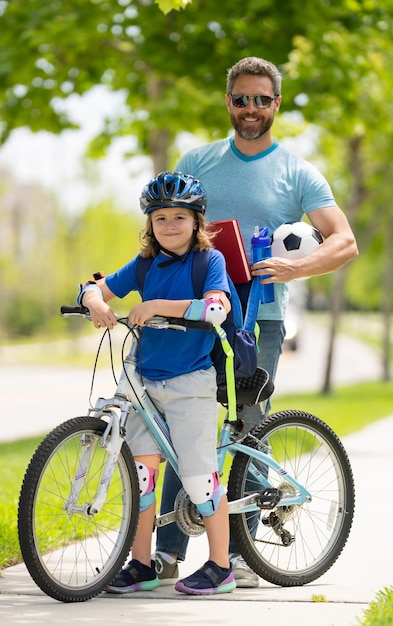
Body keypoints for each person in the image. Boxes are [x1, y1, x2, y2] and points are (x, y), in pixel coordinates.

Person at [154, 56, 359, 588]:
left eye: (261, 99)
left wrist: (297, 265)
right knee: (184, 422)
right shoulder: (196, 161)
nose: (251, 108)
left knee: (245, 425)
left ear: (276, 104)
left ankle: (239, 556)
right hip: (196, 316)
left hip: (260, 319)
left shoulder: (297, 171)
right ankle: (166, 554)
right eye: (241, 98)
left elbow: (344, 241)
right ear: (229, 102)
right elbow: (166, 232)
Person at [78, 171, 236, 596]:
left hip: (190, 382)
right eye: (160, 217)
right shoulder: (145, 264)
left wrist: (158, 306)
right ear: (149, 223)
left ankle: (221, 568)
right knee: (142, 480)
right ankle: (141, 565)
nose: (169, 225)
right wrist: (95, 303)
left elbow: (216, 307)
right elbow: (95, 288)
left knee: (201, 479)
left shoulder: (209, 261)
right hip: (143, 384)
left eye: (179, 217)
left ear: (197, 222)